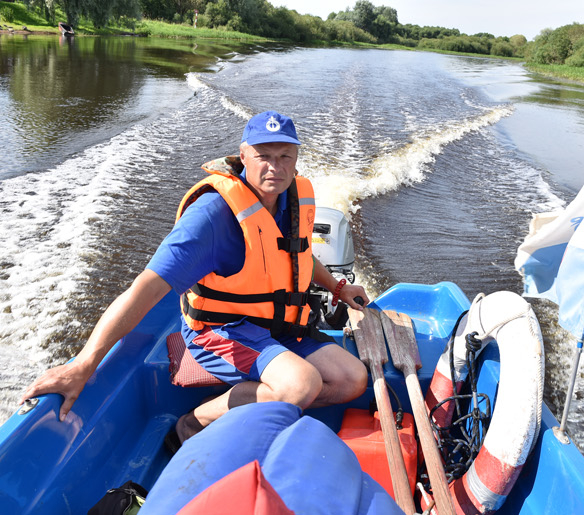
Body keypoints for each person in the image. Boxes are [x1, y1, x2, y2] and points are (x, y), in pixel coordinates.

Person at [22, 112, 370, 447]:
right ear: (243, 156)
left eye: (284, 156)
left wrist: (338, 287)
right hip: (223, 330)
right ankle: (195, 421)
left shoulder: (289, 201)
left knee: (352, 380)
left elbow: (297, 256)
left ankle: (259, 395)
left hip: (279, 326)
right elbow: (146, 289)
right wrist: (84, 364)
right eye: (263, 156)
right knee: (300, 385)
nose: (274, 167)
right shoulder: (210, 218)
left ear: (295, 159)